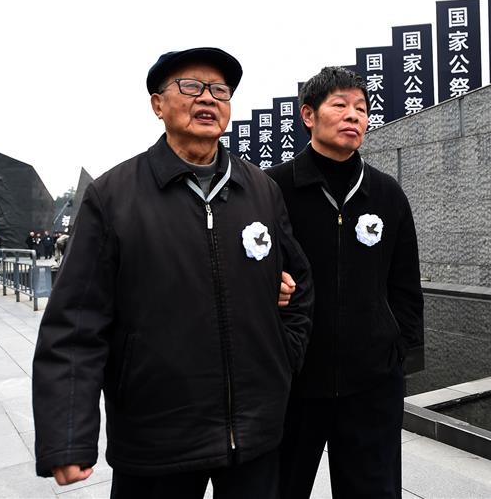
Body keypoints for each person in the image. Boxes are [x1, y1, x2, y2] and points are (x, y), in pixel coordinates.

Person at [33, 47, 314, 499]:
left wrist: (282, 358)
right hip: (156, 440)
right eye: (191, 86)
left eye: (220, 90)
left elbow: (298, 286)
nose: (208, 99)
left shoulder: (261, 189)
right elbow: (75, 324)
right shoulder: (113, 197)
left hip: (256, 435)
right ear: (157, 104)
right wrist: (67, 436)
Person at [266, 66, 423, 499]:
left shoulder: (386, 194)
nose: (354, 115)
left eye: (362, 108)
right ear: (308, 115)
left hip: (370, 385)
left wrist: (397, 353)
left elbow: (406, 285)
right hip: (293, 383)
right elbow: (249, 274)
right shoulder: (272, 189)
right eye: (340, 105)